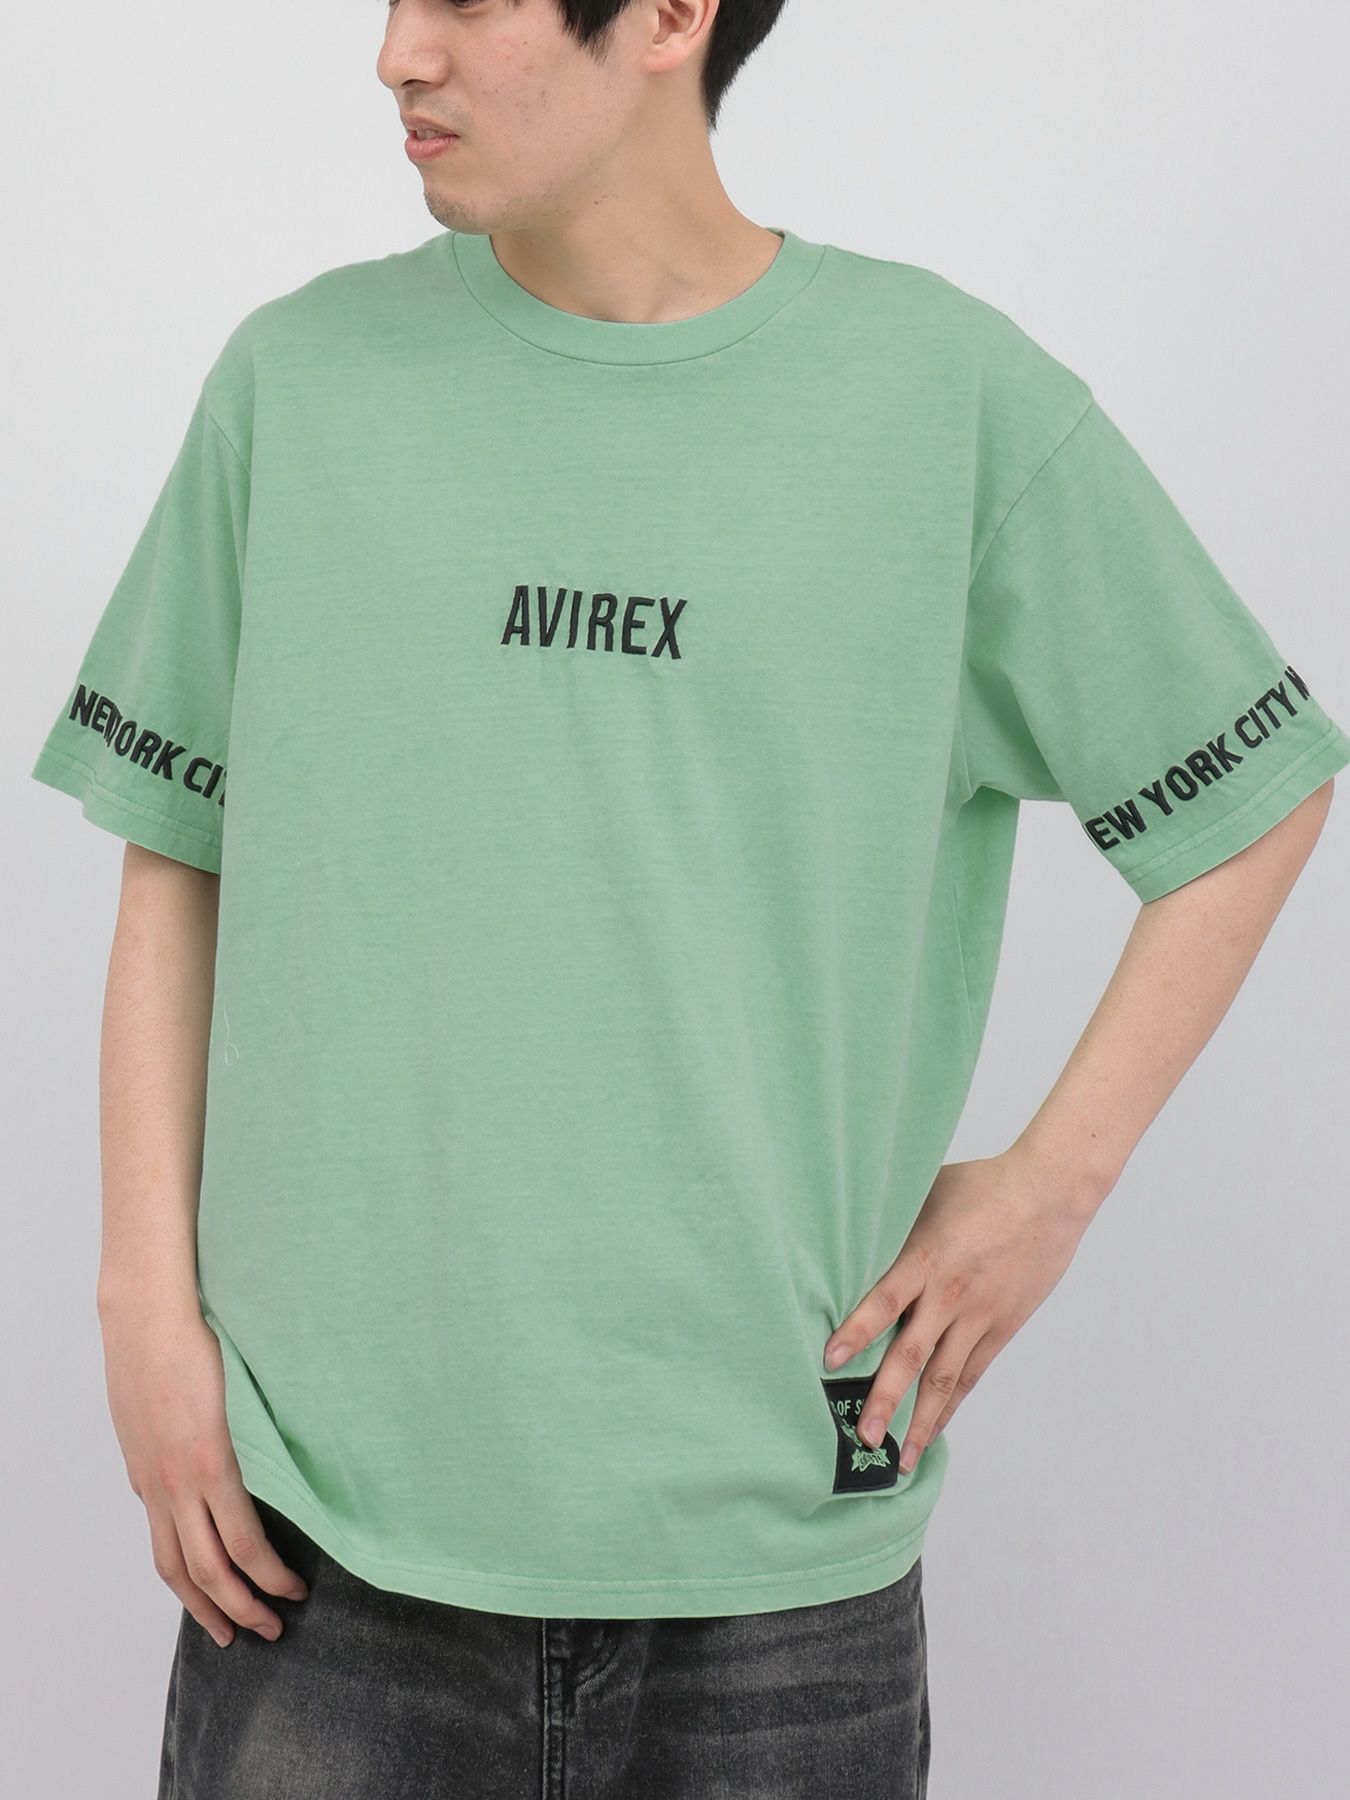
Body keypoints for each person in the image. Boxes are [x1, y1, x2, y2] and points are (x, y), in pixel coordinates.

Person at [29, 3, 1349, 1796]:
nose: (397, 54)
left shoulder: (947, 402)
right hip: (317, 1540)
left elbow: (1249, 798)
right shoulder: (298, 385)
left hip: (777, 1563)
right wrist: (142, 1310)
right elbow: (176, 850)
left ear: (668, 14)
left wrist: (1049, 1187)